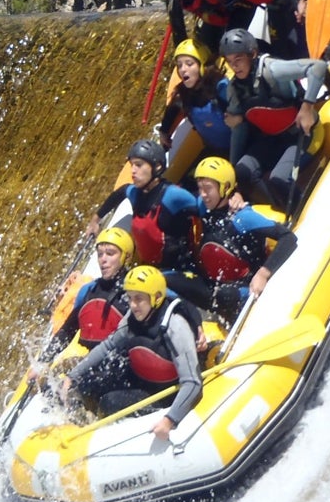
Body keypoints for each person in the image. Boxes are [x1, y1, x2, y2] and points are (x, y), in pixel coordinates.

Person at [60, 265, 203, 440]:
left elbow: (192, 383)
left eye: (139, 299)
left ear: (157, 298)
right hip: (139, 379)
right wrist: (72, 376)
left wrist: (169, 420)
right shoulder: (132, 317)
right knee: (86, 384)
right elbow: (108, 346)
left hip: (163, 394)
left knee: (110, 402)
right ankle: (75, 423)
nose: (133, 305)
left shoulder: (175, 326)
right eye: (130, 298)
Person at [221, 27, 328, 209]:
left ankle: (302, 209)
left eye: (238, 59)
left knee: (278, 179)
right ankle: (280, 207)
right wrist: (232, 170)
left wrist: (307, 106)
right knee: (242, 171)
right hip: (273, 139)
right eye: (230, 61)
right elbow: (238, 129)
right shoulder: (235, 89)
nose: (234, 66)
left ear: (252, 54)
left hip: (302, 134)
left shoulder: (271, 69)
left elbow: (318, 67)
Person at [187, 156, 298, 325]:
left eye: (208, 188)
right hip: (224, 286)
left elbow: (288, 238)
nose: (203, 194)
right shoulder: (206, 209)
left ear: (225, 188)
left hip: (248, 287)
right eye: (200, 188)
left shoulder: (243, 217)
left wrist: (263, 274)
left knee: (225, 295)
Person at [30, 227, 135, 382]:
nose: (103, 259)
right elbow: (67, 331)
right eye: (100, 254)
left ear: (126, 257)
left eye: (110, 253)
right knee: (51, 390)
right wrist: (42, 362)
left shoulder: (133, 292)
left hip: (124, 367)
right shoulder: (91, 291)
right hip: (96, 363)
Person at [87, 139, 199, 272]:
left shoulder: (173, 195)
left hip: (180, 268)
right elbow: (119, 193)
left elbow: (204, 208)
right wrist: (95, 220)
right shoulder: (135, 193)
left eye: (139, 165)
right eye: (132, 165)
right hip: (150, 268)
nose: (133, 171)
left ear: (157, 167)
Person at [158, 38, 233, 165]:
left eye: (189, 63)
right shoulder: (183, 94)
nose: (183, 69)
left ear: (202, 65)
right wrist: (164, 132)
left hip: (239, 146)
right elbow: (173, 108)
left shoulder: (220, 86)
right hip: (215, 150)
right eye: (179, 65)